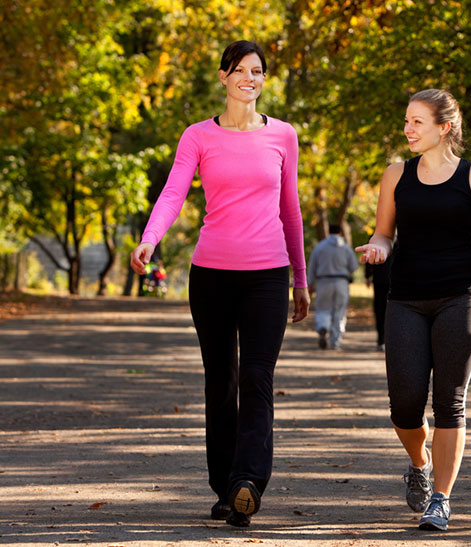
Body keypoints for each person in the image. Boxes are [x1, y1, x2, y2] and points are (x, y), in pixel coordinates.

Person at [129, 40, 310, 528]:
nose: (251, 78)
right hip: (210, 276)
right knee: (221, 381)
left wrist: (300, 277)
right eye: (242, 70)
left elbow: (289, 210)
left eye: (259, 71)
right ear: (223, 76)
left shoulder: (284, 136)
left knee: (257, 377)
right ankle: (225, 486)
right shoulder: (197, 137)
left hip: (268, 276)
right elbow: (172, 193)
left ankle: (247, 482)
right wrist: (150, 240)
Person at [356, 88, 471, 532]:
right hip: (406, 298)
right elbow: (385, 233)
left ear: (443, 127)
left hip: (460, 297)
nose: (407, 129)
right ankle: (419, 461)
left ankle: (441, 500)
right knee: (405, 405)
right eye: (407, 121)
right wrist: (377, 247)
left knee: (450, 402)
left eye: (417, 122)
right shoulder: (396, 176)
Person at [307, 224, 358, 350]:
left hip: (324, 282)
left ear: (328, 232)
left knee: (323, 308)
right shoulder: (346, 248)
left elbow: (312, 267)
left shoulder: (320, 247)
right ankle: (335, 341)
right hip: (341, 282)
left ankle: (322, 326)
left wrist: (310, 284)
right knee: (339, 312)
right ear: (340, 232)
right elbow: (353, 266)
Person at [365, 251, 392, 351]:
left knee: (380, 309)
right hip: (391, 280)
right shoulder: (398, 239)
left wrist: (368, 275)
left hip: (380, 279)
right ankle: (384, 339)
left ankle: (382, 339)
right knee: (387, 310)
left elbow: (368, 260)